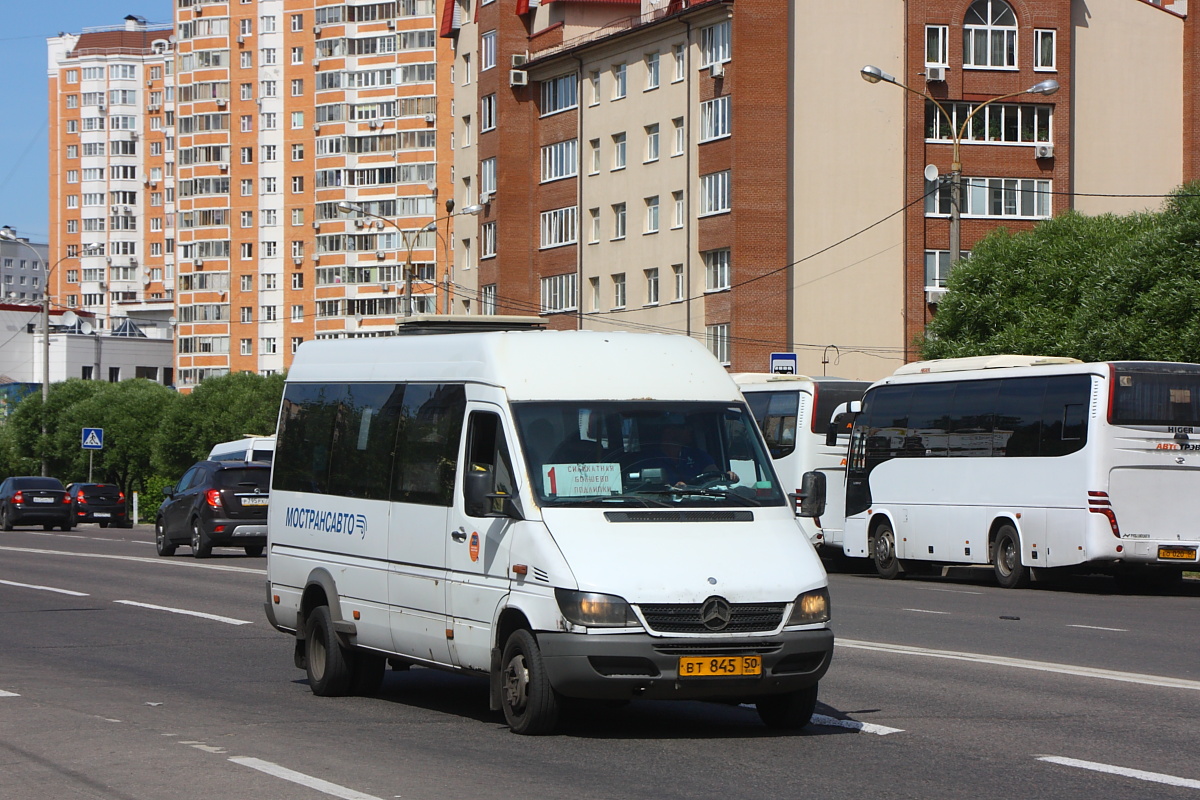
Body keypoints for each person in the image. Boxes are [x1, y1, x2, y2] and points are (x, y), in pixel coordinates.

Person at [639, 424, 737, 486]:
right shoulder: (648, 459)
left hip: (701, 503)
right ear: (669, 432)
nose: (690, 430)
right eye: (685, 427)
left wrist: (726, 476)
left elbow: (713, 474)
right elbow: (641, 488)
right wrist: (672, 489)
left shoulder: (698, 455)